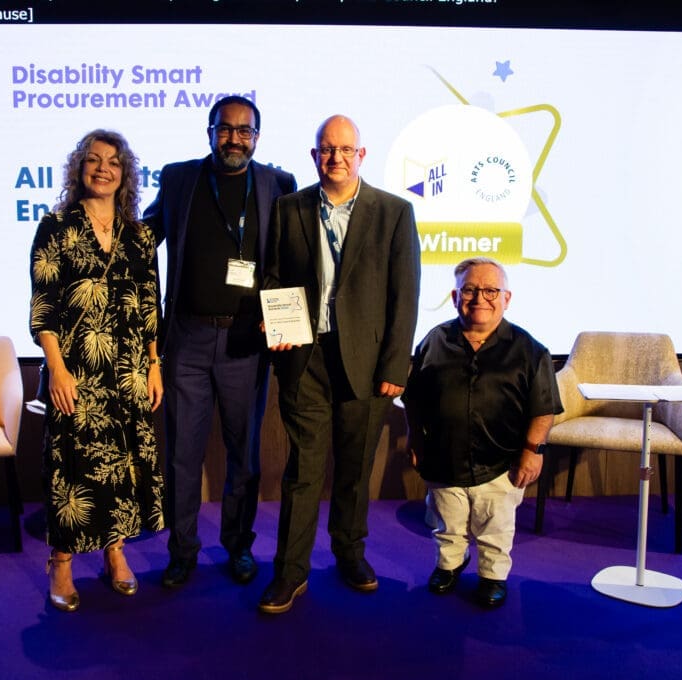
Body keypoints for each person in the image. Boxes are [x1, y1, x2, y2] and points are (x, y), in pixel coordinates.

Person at [258, 114, 421, 614]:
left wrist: (397, 364)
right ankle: (290, 572)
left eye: (346, 150)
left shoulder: (394, 212)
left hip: (370, 367)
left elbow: (405, 293)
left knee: (354, 471)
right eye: (327, 150)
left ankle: (350, 555)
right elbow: (275, 277)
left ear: (362, 155)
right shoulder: (289, 208)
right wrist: (274, 323)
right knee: (302, 472)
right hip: (305, 361)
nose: (336, 158)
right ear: (314, 156)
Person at [143, 96, 297, 588]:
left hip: (245, 344)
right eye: (225, 129)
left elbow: (292, 262)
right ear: (209, 131)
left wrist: (288, 323)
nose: (235, 138)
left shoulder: (278, 185)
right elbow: (144, 238)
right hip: (186, 339)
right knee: (182, 456)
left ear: (257, 136)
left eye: (245, 131)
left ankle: (237, 545)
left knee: (244, 456)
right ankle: (182, 551)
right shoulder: (179, 178)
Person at [29, 129, 165, 612]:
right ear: (78, 168)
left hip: (128, 371)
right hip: (77, 373)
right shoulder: (56, 227)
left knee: (122, 466)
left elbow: (151, 303)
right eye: (92, 160)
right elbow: (43, 307)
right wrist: (57, 369)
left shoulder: (141, 235)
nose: (102, 168)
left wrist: (153, 364)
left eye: (112, 161)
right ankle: (61, 561)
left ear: (124, 173)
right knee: (74, 468)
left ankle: (115, 553)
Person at [402, 257, 562, 608]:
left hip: (501, 462)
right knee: (448, 521)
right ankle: (450, 564)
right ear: (455, 295)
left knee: (496, 526)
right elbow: (414, 399)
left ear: (507, 297)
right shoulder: (434, 340)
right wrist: (415, 437)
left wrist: (532, 451)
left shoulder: (530, 350)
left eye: (490, 290)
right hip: (443, 458)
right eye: (470, 289)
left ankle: (492, 576)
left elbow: (544, 408)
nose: (480, 298)